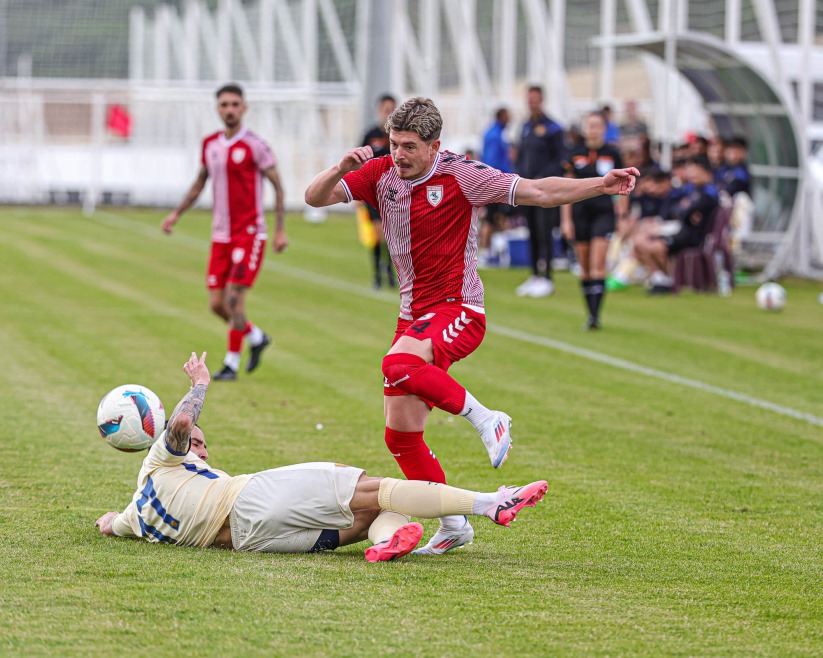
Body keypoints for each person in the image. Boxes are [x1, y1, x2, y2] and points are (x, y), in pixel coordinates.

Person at [304, 96, 637, 554]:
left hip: (459, 309)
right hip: (413, 316)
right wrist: (340, 167)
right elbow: (314, 197)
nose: (399, 154)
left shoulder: (461, 174)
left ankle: (487, 419)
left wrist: (601, 184)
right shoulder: (380, 172)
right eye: (394, 143)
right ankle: (456, 523)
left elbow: (539, 191)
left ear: (434, 145)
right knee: (399, 433)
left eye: (409, 146)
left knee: (395, 363)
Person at [94, 351, 548, 563]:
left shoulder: (136, 515)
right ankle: (489, 503)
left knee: (372, 513)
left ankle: (384, 543)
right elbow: (177, 427)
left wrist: (113, 517)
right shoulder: (161, 461)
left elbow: (107, 524)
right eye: (198, 446)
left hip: (250, 543)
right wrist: (199, 386)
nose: (202, 448)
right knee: (370, 486)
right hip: (247, 500)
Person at [161, 83, 288, 381]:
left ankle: (231, 363)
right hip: (221, 235)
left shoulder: (255, 145)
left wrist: (280, 230)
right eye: (224, 105)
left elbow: (278, 187)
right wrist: (176, 214)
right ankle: (256, 337)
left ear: (244, 108)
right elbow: (199, 182)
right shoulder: (210, 145)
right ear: (217, 109)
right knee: (216, 304)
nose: (229, 109)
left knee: (234, 299)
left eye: (234, 104)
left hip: (250, 233)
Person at [560, 111, 627, 329]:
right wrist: (566, 220)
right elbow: (564, 189)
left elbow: (625, 187)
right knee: (585, 267)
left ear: (604, 129)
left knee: (599, 264)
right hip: (580, 214)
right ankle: (590, 313)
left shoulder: (612, 153)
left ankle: (596, 316)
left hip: (604, 212)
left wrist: (622, 216)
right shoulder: (574, 153)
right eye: (590, 125)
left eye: (597, 125)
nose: (593, 129)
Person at [633, 156, 719, 294]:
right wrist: (685, 210)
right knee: (639, 242)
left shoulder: (709, 193)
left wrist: (686, 210)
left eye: (695, 171)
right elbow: (678, 211)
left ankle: (668, 279)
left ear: (705, 172)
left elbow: (684, 212)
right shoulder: (693, 190)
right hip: (682, 230)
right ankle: (659, 278)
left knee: (655, 247)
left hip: (694, 236)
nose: (691, 175)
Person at [514, 86, 567, 298]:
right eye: (529, 100)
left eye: (535, 100)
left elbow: (560, 160)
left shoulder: (553, 128)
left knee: (545, 232)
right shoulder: (526, 127)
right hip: (526, 190)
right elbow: (521, 157)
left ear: (541, 100)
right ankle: (535, 274)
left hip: (544, 190)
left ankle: (547, 276)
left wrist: (543, 177)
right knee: (532, 232)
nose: (532, 103)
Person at [360, 94, 398, 289]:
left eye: (391, 109)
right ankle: (377, 274)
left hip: (395, 192)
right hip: (373, 192)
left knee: (392, 236)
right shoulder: (370, 134)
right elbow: (358, 162)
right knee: (377, 234)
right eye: (385, 109)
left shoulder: (399, 135)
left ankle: (392, 273)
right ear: (379, 110)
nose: (388, 113)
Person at [479, 107, 514, 265]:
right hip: (496, 182)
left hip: (497, 180)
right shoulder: (495, 135)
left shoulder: (494, 132)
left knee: (496, 219)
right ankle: (486, 252)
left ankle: (492, 250)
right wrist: (496, 181)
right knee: (491, 219)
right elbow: (492, 160)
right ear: (501, 116)